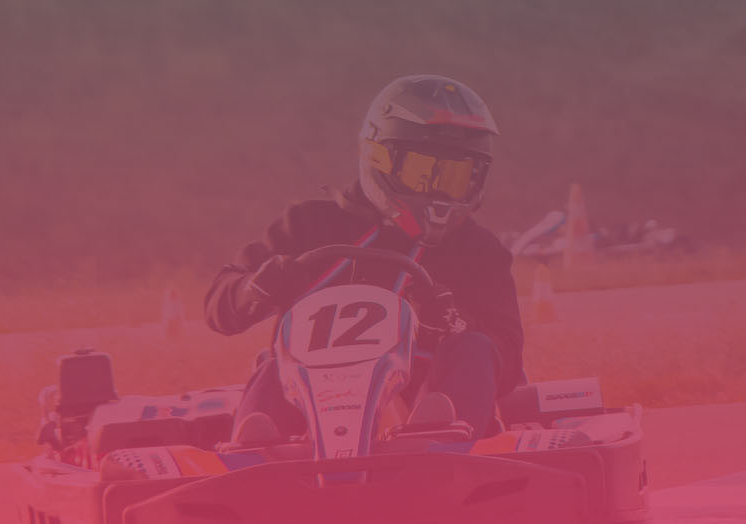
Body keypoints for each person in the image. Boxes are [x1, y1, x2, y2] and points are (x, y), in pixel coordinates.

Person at [203, 75, 523, 441]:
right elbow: (219, 308)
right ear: (380, 158)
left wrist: (452, 322)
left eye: (454, 177)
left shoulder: (479, 251)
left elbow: (509, 361)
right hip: (310, 401)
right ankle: (257, 452)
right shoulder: (309, 225)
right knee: (276, 366)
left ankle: (439, 441)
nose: (436, 189)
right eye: (423, 172)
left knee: (475, 346)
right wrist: (256, 287)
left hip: (426, 401)